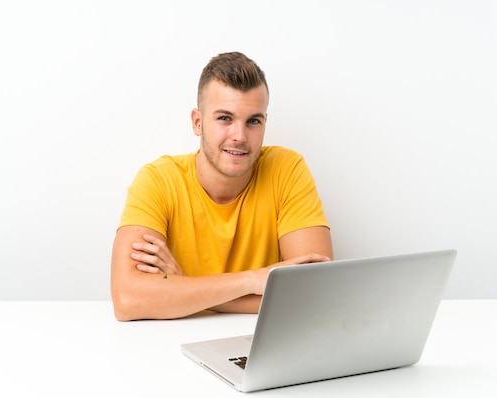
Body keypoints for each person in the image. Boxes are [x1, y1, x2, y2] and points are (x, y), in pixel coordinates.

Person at [111, 52, 333, 321]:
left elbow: (316, 293)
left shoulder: (286, 169)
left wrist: (185, 285)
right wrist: (254, 280)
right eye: (225, 118)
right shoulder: (158, 180)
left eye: (253, 121)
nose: (239, 136)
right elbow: (128, 299)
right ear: (197, 122)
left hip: (259, 340)